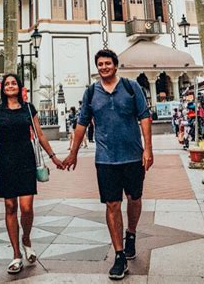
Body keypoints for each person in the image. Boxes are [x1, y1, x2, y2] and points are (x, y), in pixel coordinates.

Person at [63, 49, 153, 281]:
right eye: (100, 64)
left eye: (107, 63)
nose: (103, 67)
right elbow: (82, 124)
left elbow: (144, 117)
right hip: (105, 159)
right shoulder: (92, 92)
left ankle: (131, 233)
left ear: (115, 65)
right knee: (112, 204)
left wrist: (148, 149)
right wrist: (73, 153)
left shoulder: (131, 87)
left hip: (132, 156)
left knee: (134, 198)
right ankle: (119, 255)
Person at [0, 74, 64, 275]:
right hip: (7, 162)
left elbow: (40, 134)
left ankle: (26, 238)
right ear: (3, 89)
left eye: (13, 83)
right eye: (7, 84)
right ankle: (16, 254)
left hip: (26, 160)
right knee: (10, 206)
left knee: (26, 207)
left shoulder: (29, 108)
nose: (10, 86)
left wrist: (53, 157)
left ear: (20, 88)